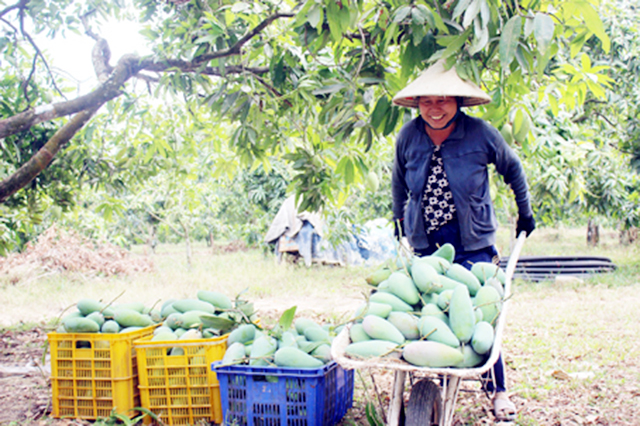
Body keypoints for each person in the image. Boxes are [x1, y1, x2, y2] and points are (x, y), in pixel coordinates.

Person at [390, 59, 536, 422]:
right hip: (426, 243)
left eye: (443, 101)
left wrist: (525, 212)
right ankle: (442, 377)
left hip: (473, 241)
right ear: (417, 104)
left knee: (481, 316)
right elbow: (397, 181)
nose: (435, 109)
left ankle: (498, 390)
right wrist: (397, 220)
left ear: (457, 101)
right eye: (427, 101)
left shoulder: (480, 133)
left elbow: (512, 168)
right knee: (435, 311)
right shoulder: (408, 137)